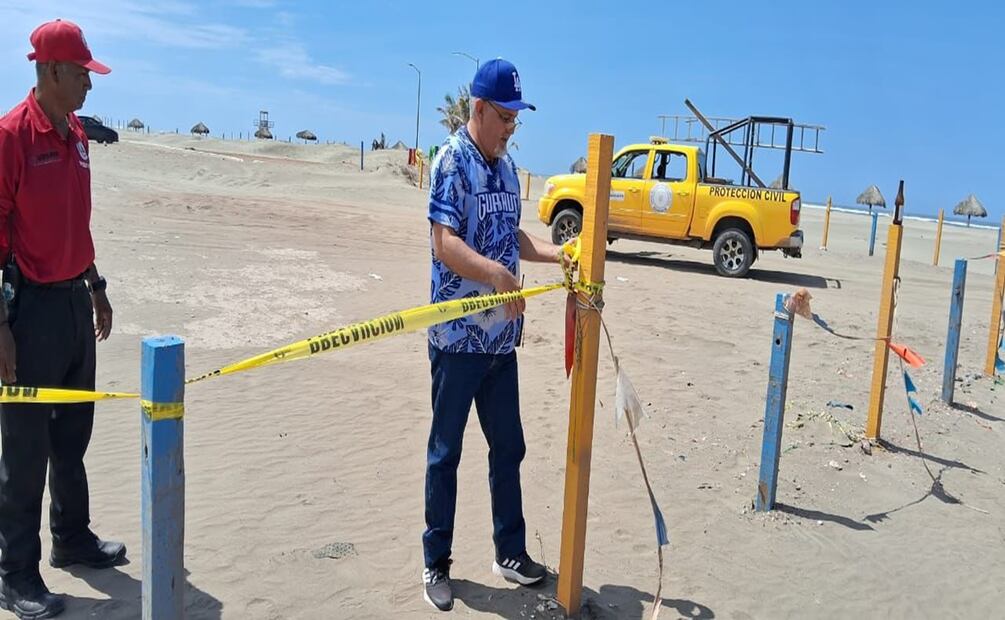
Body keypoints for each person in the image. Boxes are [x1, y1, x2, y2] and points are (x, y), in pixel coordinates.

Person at [423, 58, 565, 612]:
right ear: (478, 109)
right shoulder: (450, 164)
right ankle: (435, 563)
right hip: (457, 342)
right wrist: (498, 278)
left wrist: (556, 254)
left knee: (509, 447)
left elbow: (511, 235)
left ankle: (510, 553)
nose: (510, 127)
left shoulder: (506, 170)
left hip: (500, 345)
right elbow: (445, 243)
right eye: (504, 116)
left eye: (516, 119)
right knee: (445, 454)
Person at [0, 19, 123, 619]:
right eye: (81, 74)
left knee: (73, 433)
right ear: (50, 71)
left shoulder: (74, 132)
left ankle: (71, 539)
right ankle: (15, 573)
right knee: (24, 449)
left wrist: (96, 285)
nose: (88, 86)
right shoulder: (11, 136)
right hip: (30, 312)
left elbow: (78, 219)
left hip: (75, 301)